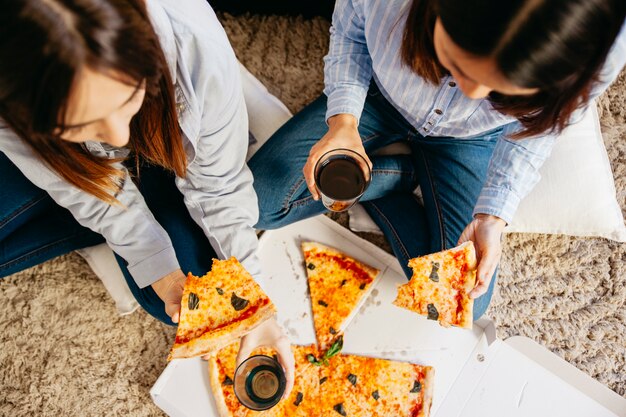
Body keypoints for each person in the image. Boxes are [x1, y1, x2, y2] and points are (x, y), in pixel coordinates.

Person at [249, 0, 626, 320]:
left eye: (501, 90)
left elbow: (538, 131)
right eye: (457, 65)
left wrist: (492, 216)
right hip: (377, 98)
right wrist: (344, 121)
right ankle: (397, 176)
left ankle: (384, 181)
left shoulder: (595, 47)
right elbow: (350, 34)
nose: (471, 91)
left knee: (459, 301)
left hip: (472, 137)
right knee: (258, 204)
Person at [0, 0, 294, 393]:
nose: (120, 137)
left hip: (167, 129)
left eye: (126, 98)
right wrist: (147, 253)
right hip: (70, 164)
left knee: (176, 298)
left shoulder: (194, 44)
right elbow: (85, 187)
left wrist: (256, 305)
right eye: (81, 123)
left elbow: (219, 187)